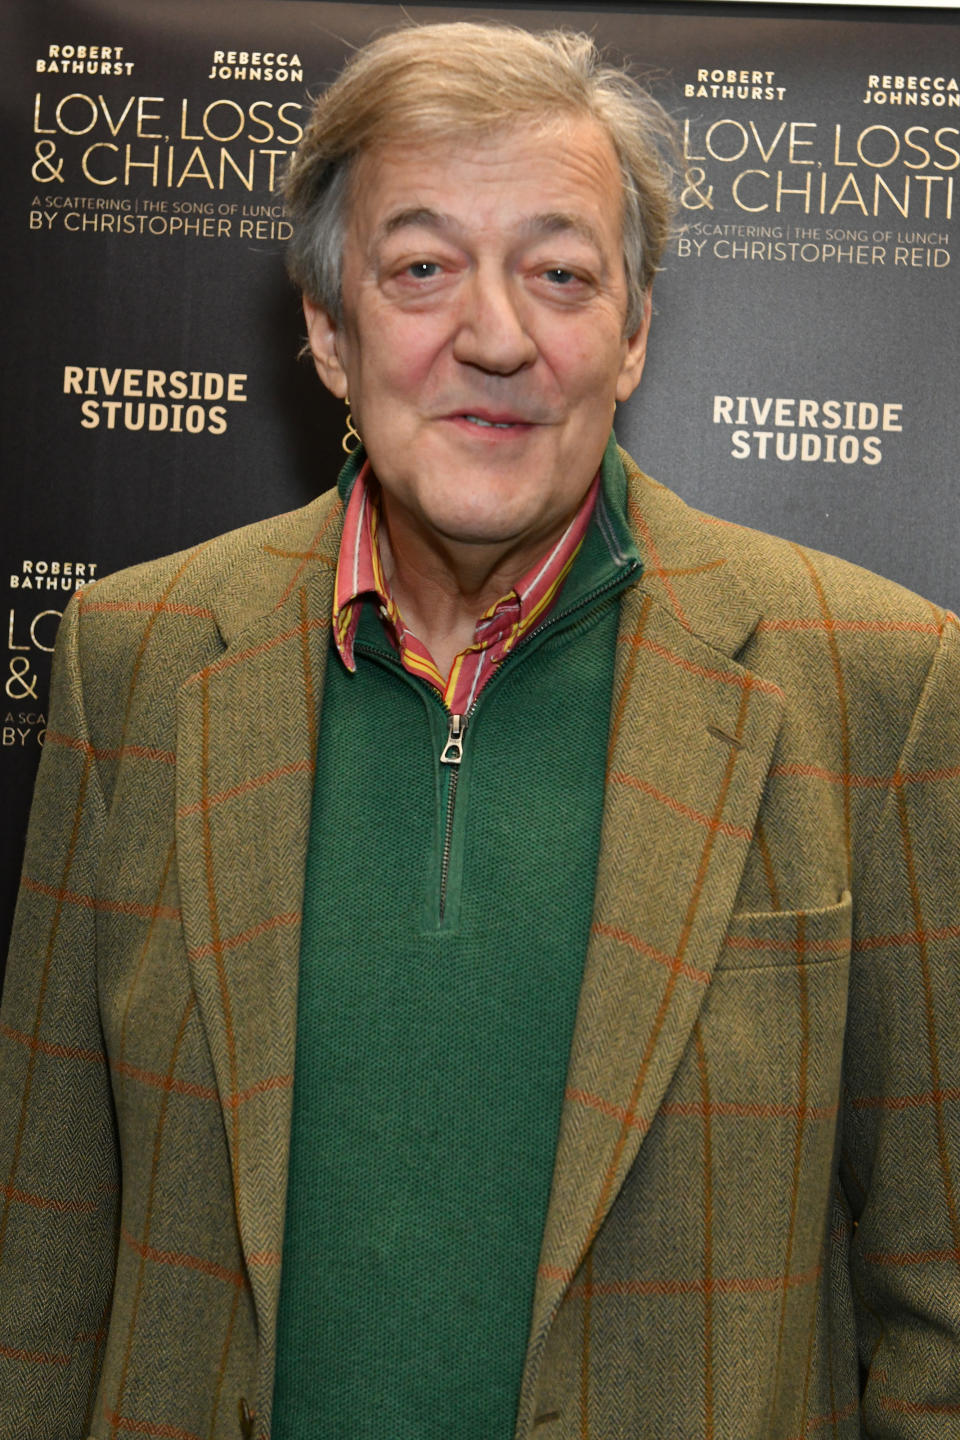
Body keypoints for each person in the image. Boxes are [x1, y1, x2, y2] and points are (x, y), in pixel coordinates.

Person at [1, 20, 959, 1440]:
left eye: (561, 274)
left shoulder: (877, 684)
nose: (496, 336)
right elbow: (43, 1260)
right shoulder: (133, 663)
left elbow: (939, 1309)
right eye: (423, 268)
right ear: (330, 328)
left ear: (633, 332)